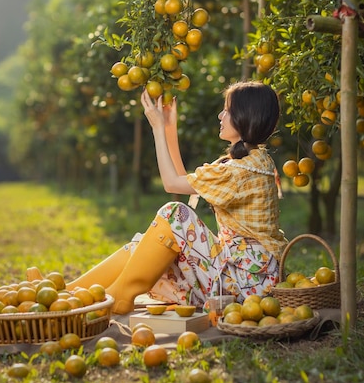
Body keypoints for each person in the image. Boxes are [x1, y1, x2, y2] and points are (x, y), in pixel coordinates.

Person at [27, 80, 287, 314]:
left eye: (227, 110)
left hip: (246, 284)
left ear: (245, 116)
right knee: (145, 246)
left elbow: (170, 183)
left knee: (175, 214)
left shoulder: (241, 170)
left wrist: (156, 129)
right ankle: (68, 293)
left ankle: (116, 296)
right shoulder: (252, 162)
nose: (221, 115)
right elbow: (182, 177)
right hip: (247, 276)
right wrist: (169, 129)